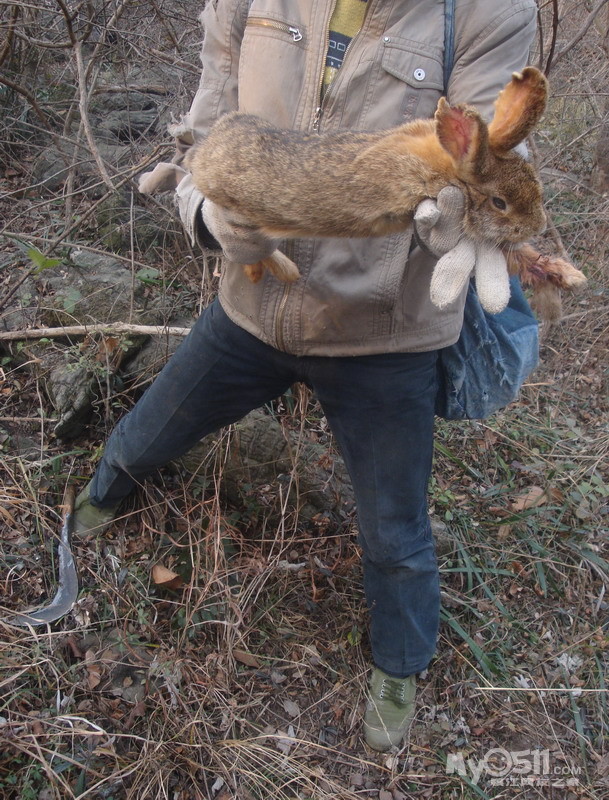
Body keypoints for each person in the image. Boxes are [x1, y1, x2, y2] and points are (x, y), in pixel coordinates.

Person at [74, 0, 538, 751]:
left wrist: (457, 220)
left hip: (384, 335)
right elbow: (208, 120)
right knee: (156, 425)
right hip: (253, 301)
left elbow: (495, 163)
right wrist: (207, 214)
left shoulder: (486, 12)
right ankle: (101, 496)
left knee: (394, 528)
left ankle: (399, 661)